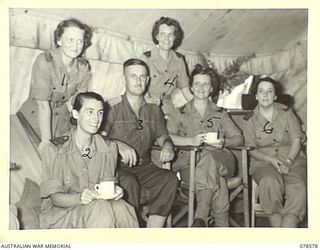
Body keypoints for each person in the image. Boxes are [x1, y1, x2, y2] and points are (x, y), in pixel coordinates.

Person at [39, 92, 138, 229]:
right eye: (90, 112)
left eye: (100, 113)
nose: (96, 119)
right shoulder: (54, 149)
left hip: (96, 210)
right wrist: (80, 198)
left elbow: (106, 186)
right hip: (61, 215)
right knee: (100, 207)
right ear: (75, 114)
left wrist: (115, 191)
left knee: (123, 207)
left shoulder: (109, 149)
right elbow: (55, 199)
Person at [101, 58, 178, 228]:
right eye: (133, 76)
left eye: (143, 77)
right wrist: (118, 145)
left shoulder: (154, 108)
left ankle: (152, 231)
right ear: (124, 79)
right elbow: (98, 139)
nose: (138, 81)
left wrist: (167, 145)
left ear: (148, 80)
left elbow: (163, 135)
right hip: (117, 167)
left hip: (144, 166)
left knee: (170, 179)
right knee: (128, 182)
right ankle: (130, 232)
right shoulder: (111, 107)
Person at [167, 64, 244, 227]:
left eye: (205, 84)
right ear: (191, 87)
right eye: (197, 84)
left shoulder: (220, 113)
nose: (201, 88)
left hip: (222, 159)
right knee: (219, 183)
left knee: (208, 158)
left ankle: (200, 215)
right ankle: (222, 227)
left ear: (211, 89)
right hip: (190, 165)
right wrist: (190, 141)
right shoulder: (179, 112)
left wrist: (224, 142)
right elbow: (167, 137)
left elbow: (238, 138)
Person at [19, 19, 93, 152]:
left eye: (80, 41)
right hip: (35, 118)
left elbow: (77, 102)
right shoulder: (45, 61)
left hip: (62, 121)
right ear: (59, 40)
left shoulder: (83, 67)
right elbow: (43, 105)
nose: (76, 45)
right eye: (70, 39)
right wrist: (46, 140)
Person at [242, 77, 307, 227]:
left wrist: (288, 161)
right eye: (261, 91)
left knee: (298, 186)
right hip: (263, 162)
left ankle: (286, 230)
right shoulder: (249, 119)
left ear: (275, 95)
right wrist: (270, 160)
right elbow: (250, 149)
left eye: (269, 91)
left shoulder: (287, 112)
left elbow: (297, 139)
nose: (265, 95)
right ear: (256, 96)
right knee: (269, 182)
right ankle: (279, 230)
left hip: (293, 159)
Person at [141, 16, 193, 116]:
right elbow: (139, 88)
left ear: (175, 38)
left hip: (168, 107)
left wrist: (199, 107)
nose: (166, 39)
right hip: (146, 104)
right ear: (157, 37)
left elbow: (185, 89)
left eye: (170, 35)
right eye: (162, 34)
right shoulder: (146, 58)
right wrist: (149, 100)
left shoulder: (179, 60)